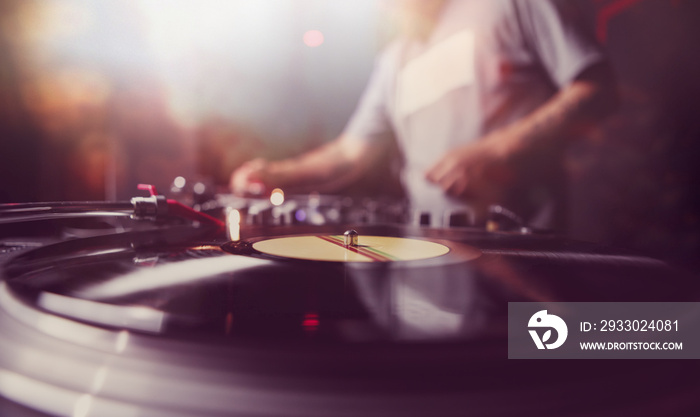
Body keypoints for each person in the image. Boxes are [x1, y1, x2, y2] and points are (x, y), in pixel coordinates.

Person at [231, 0, 616, 229]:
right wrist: (276, 173)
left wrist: (493, 151)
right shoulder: (395, 59)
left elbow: (595, 88)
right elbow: (350, 153)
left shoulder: (511, 5)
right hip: (429, 258)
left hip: (523, 256)